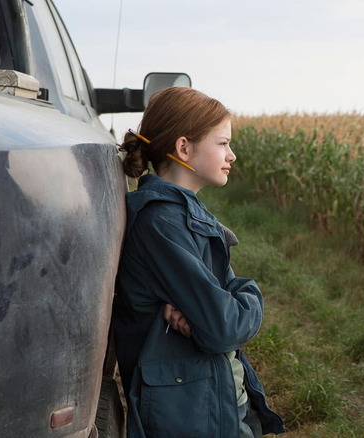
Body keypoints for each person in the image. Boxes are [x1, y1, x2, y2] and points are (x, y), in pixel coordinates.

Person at [112, 86, 284, 437]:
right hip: (193, 412)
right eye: (222, 143)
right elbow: (225, 326)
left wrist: (229, 299)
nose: (232, 155)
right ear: (183, 147)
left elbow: (221, 313)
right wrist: (247, 295)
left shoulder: (181, 213)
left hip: (213, 395)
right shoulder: (162, 223)